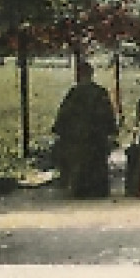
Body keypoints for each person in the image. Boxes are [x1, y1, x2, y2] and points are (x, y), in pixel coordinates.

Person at [51, 60, 118, 198]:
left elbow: (65, 112)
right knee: (97, 161)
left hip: (78, 134)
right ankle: (98, 190)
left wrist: (60, 129)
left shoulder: (74, 93)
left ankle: (80, 189)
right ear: (91, 74)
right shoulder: (99, 92)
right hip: (96, 133)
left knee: (80, 161)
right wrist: (110, 129)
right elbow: (106, 112)